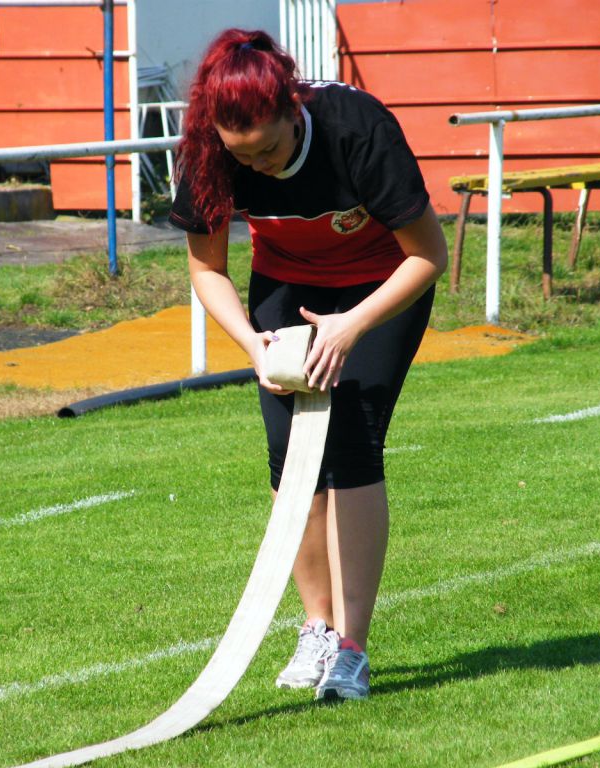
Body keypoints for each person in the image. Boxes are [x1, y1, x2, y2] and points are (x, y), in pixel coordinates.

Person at [169, 28, 447, 701]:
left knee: (351, 441)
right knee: (288, 448)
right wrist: (252, 343)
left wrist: (352, 326)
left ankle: (352, 648)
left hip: (382, 282)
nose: (257, 165)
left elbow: (428, 254)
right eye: (243, 155)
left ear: (293, 110)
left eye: (267, 149)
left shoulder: (358, 128)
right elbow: (206, 270)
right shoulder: (207, 150)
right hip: (289, 280)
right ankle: (315, 627)